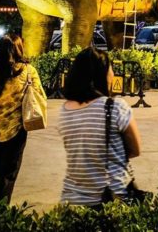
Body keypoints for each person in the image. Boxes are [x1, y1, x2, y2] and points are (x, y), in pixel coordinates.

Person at [57, 48, 142, 206]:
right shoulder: (115, 106)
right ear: (101, 75)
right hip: (112, 199)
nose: (113, 74)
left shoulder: (64, 110)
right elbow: (135, 150)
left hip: (73, 200)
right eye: (110, 69)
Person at [0, 32, 46, 202]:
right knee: (8, 177)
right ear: (20, 49)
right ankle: (1, 217)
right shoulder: (28, 72)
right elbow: (40, 97)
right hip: (16, 133)